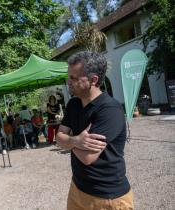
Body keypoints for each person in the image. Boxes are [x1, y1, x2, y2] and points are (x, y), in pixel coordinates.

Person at [56, 51, 133, 210]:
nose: (68, 82)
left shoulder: (109, 109)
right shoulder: (73, 104)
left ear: (93, 80)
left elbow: (87, 157)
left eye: (74, 78)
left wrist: (67, 139)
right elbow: (58, 138)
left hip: (107, 197)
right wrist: (75, 140)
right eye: (68, 77)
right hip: (77, 188)